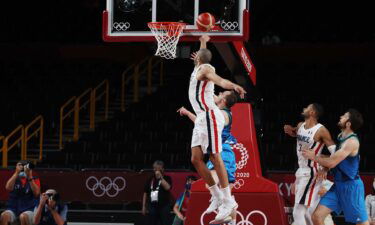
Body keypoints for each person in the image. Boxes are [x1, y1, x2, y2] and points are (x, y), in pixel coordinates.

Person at [186, 34, 246, 223]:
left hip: (209, 115)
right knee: (196, 159)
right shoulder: (198, 66)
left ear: (199, 59)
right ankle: (217, 195)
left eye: (197, 56)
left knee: (214, 156)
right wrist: (204, 39)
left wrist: (233, 85)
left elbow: (219, 80)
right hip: (201, 119)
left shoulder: (205, 68)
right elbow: (203, 52)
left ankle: (227, 200)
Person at [178, 90, 238, 224]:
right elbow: (201, 124)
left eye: (222, 94)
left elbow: (206, 123)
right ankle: (230, 217)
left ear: (223, 101)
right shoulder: (218, 111)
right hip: (217, 153)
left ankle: (226, 207)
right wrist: (188, 113)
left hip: (224, 153)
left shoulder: (222, 114)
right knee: (221, 189)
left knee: (215, 185)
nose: (219, 93)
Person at [302, 109, 369, 225]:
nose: (340, 117)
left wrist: (314, 157)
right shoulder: (340, 137)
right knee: (317, 217)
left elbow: (332, 162)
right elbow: (335, 158)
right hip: (338, 186)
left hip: (351, 186)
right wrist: (325, 168)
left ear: (348, 123)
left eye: (344, 116)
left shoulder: (352, 142)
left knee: (361, 223)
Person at [284, 103, 336, 225]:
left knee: (298, 211)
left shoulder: (321, 130)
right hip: (302, 170)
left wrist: (325, 167)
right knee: (309, 212)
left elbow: (335, 153)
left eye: (307, 108)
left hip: (311, 172)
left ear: (312, 112)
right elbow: (297, 133)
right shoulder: (300, 125)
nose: (304, 109)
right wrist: (290, 130)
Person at [1, 161, 40, 225]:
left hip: (29, 208)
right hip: (13, 208)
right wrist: (16, 172)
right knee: (4, 216)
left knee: (23, 217)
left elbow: (37, 193)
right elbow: (8, 188)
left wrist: (29, 176)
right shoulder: (14, 179)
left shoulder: (34, 179)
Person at [142, 160, 173, 225]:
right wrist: (144, 206)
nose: (155, 170)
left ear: (162, 169)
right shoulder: (150, 179)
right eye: (154, 168)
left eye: (158, 168)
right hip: (152, 206)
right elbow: (145, 192)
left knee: (165, 223)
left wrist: (160, 178)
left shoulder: (167, 178)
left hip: (164, 206)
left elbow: (167, 188)